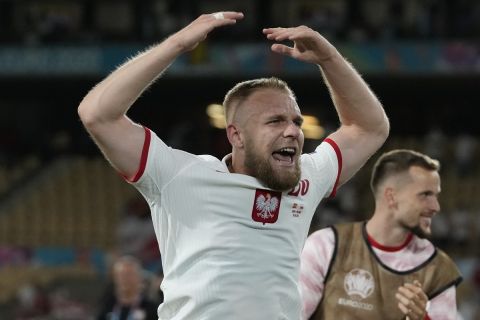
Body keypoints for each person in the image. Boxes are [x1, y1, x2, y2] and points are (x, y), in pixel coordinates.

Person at [78, 11, 389, 319]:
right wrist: (174, 46)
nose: (294, 131)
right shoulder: (179, 176)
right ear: (236, 135)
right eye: (275, 121)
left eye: (296, 121)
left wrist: (330, 60)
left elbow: (369, 128)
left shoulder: (306, 179)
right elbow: (98, 114)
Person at [299, 149, 463, 320]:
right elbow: (290, 314)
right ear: (391, 197)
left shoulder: (438, 269)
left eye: (435, 196)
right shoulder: (326, 245)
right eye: (425, 195)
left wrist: (423, 318)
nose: (435, 206)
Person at [96, 256, 158, 320]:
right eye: (121, 275)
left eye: (129, 274)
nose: (125, 279)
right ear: (115, 278)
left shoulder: (150, 308)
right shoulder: (106, 306)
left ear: (139, 277)